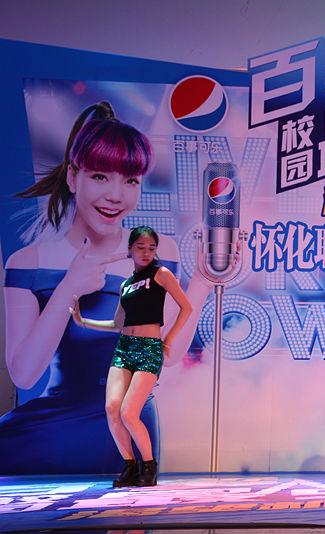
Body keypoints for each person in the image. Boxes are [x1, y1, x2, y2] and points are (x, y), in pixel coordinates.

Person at [1, 101, 215, 475]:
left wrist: (203, 280)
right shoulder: (28, 262)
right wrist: (70, 285)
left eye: (130, 180)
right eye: (100, 177)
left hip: (130, 421)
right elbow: (24, 374)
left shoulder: (158, 251)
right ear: (73, 177)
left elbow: (167, 354)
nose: (116, 195)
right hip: (50, 431)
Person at [69, 226, 191, 486]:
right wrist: (82, 321)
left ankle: (149, 466)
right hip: (124, 348)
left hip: (149, 348)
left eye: (151, 248)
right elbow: (117, 324)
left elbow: (186, 307)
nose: (146, 253)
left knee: (129, 412)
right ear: (130, 249)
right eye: (140, 248)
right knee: (112, 408)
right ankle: (130, 466)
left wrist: (169, 338)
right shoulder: (125, 285)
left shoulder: (161, 274)